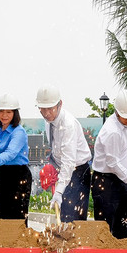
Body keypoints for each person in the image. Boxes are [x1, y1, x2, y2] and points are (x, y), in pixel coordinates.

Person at [91, 90, 127, 238]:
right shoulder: (112, 131)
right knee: (107, 226)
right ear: (116, 112)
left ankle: (122, 251)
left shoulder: (124, 125)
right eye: (125, 118)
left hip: (120, 179)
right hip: (105, 181)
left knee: (123, 220)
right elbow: (113, 162)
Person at [36, 84, 92, 223]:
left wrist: (59, 191)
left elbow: (69, 161)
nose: (46, 113)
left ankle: (74, 244)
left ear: (60, 104)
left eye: (50, 108)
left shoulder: (68, 124)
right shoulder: (48, 120)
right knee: (63, 215)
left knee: (72, 217)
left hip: (78, 171)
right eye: (42, 108)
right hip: (64, 170)